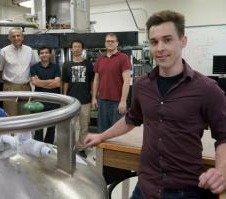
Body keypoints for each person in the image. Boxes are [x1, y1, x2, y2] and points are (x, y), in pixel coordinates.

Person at [85, 10, 226, 199]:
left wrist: (221, 171)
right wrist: (101, 135)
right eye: (154, 42)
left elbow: (224, 136)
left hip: (185, 190)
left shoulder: (207, 89)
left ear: (183, 41)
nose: (160, 48)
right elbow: (131, 119)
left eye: (167, 40)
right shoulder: (142, 85)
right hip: (145, 187)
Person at [91, 32, 132, 133]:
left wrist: (123, 101)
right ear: (105, 44)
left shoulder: (123, 58)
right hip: (102, 101)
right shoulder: (100, 59)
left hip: (117, 102)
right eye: (108, 41)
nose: (110, 43)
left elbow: (127, 80)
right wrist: (94, 98)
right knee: (102, 130)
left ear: (117, 43)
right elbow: (96, 79)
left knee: (117, 132)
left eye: (112, 41)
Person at [62, 39, 94, 158]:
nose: (76, 48)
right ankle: (70, 147)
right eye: (74, 47)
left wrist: (93, 96)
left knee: (84, 126)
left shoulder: (88, 64)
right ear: (71, 49)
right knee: (71, 126)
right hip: (71, 101)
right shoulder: (67, 65)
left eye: (79, 46)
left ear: (82, 49)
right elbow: (65, 82)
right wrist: (64, 98)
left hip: (85, 100)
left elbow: (92, 81)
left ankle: (81, 148)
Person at [0, 27, 37, 116]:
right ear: (9, 38)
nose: (16, 38)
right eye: (13, 36)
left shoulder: (29, 50)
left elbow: (33, 68)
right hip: (9, 88)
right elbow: (0, 70)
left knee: (26, 114)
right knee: (11, 115)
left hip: (25, 87)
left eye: (18, 36)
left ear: (22, 37)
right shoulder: (4, 51)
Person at [30, 46, 61, 144]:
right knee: (38, 126)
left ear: (50, 54)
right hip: (38, 100)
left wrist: (41, 82)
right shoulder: (34, 67)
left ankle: (49, 146)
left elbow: (57, 83)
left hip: (54, 100)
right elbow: (35, 82)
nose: (44, 54)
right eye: (42, 53)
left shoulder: (55, 67)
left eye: (46, 52)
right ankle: (38, 146)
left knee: (51, 126)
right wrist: (50, 81)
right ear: (39, 55)